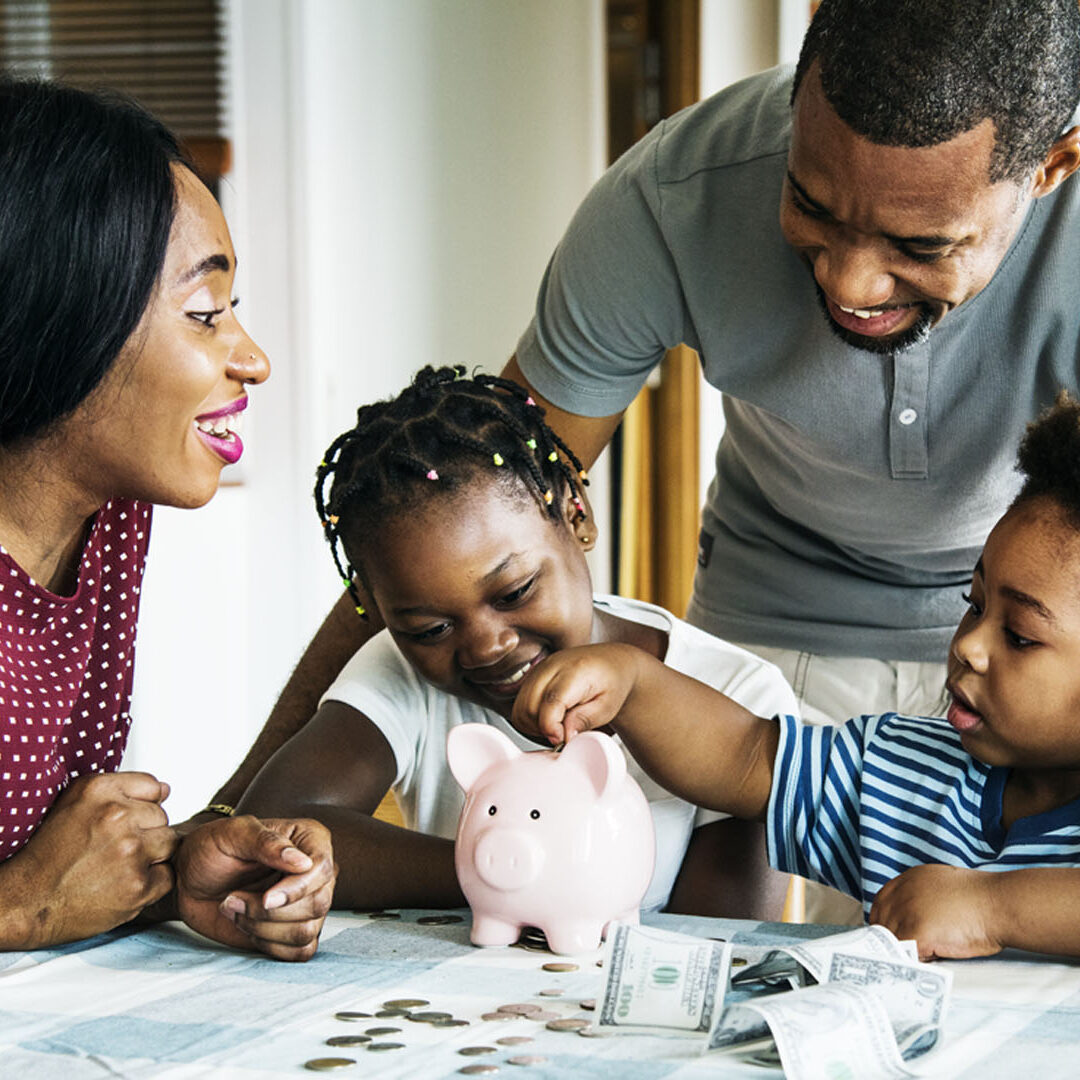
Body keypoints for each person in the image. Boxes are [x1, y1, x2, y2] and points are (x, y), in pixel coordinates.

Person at [211, 0, 1080, 920]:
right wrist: (231, 812)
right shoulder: (674, 196)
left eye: (920, 245)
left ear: (1052, 166)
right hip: (776, 644)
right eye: (811, 205)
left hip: (1044, 646)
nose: (849, 283)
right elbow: (460, 502)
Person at [512, 391, 1080, 961]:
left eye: (1022, 636)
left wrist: (991, 908)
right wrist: (634, 683)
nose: (970, 645)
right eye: (974, 603)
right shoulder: (902, 771)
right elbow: (746, 757)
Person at [235, 366, 797, 914]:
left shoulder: (739, 693)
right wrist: (494, 870)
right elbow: (274, 824)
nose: (485, 646)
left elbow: (722, 939)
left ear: (576, 513)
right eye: (429, 628)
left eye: (515, 592)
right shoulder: (400, 667)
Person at [0, 77, 335, 958]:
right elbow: (26, 894)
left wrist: (175, 867)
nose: (252, 359)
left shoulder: (107, 523)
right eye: (204, 314)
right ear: (61, 316)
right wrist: (16, 908)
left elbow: (48, 868)